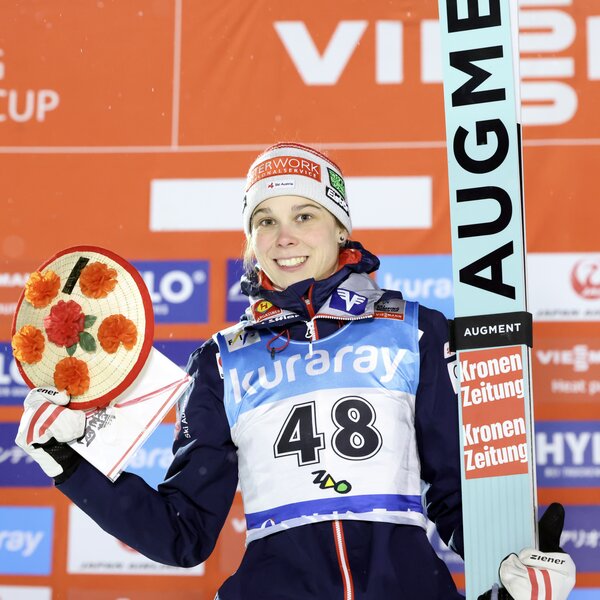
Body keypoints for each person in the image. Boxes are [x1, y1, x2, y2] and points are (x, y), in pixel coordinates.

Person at [16, 143, 575, 600]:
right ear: (251, 241)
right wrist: (71, 463)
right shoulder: (222, 361)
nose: (284, 236)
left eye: (304, 215)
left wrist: (517, 567)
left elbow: (456, 498)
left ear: (340, 229)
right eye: (265, 221)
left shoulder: (415, 331)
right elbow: (183, 533)